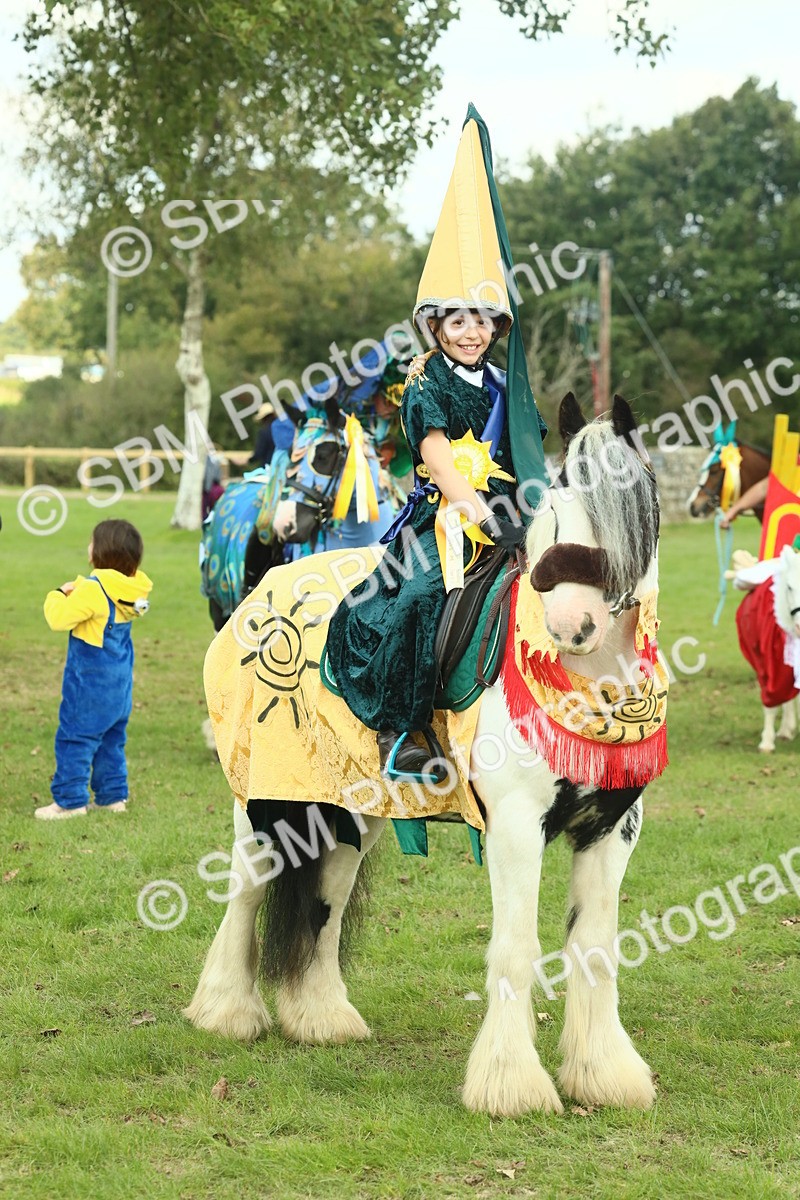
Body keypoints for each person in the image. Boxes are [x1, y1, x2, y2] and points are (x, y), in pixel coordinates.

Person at [325, 106, 547, 784]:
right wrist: (472, 508)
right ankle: (406, 731)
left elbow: (519, 455)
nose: (472, 332)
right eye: (458, 320)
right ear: (437, 325)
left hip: (507, 511)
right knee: (419, 595)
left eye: (482, 319)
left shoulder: (505, 386)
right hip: (445, 519)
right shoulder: (425, 386)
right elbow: (437, 460)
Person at [36, 519, 153, 820]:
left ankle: (70, 801)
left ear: (99, 553)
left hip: (88, 686)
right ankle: (112, 797)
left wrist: (58, 594)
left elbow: (58, 619)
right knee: (112, 741)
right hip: (120, 686)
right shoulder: (133, 591)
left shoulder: (92, 590)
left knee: (75, 739)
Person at [248, 402, 276, 468]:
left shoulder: (264, 432)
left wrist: (248, 460)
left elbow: (259, 453)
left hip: (268, 467)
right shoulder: (282, 429)